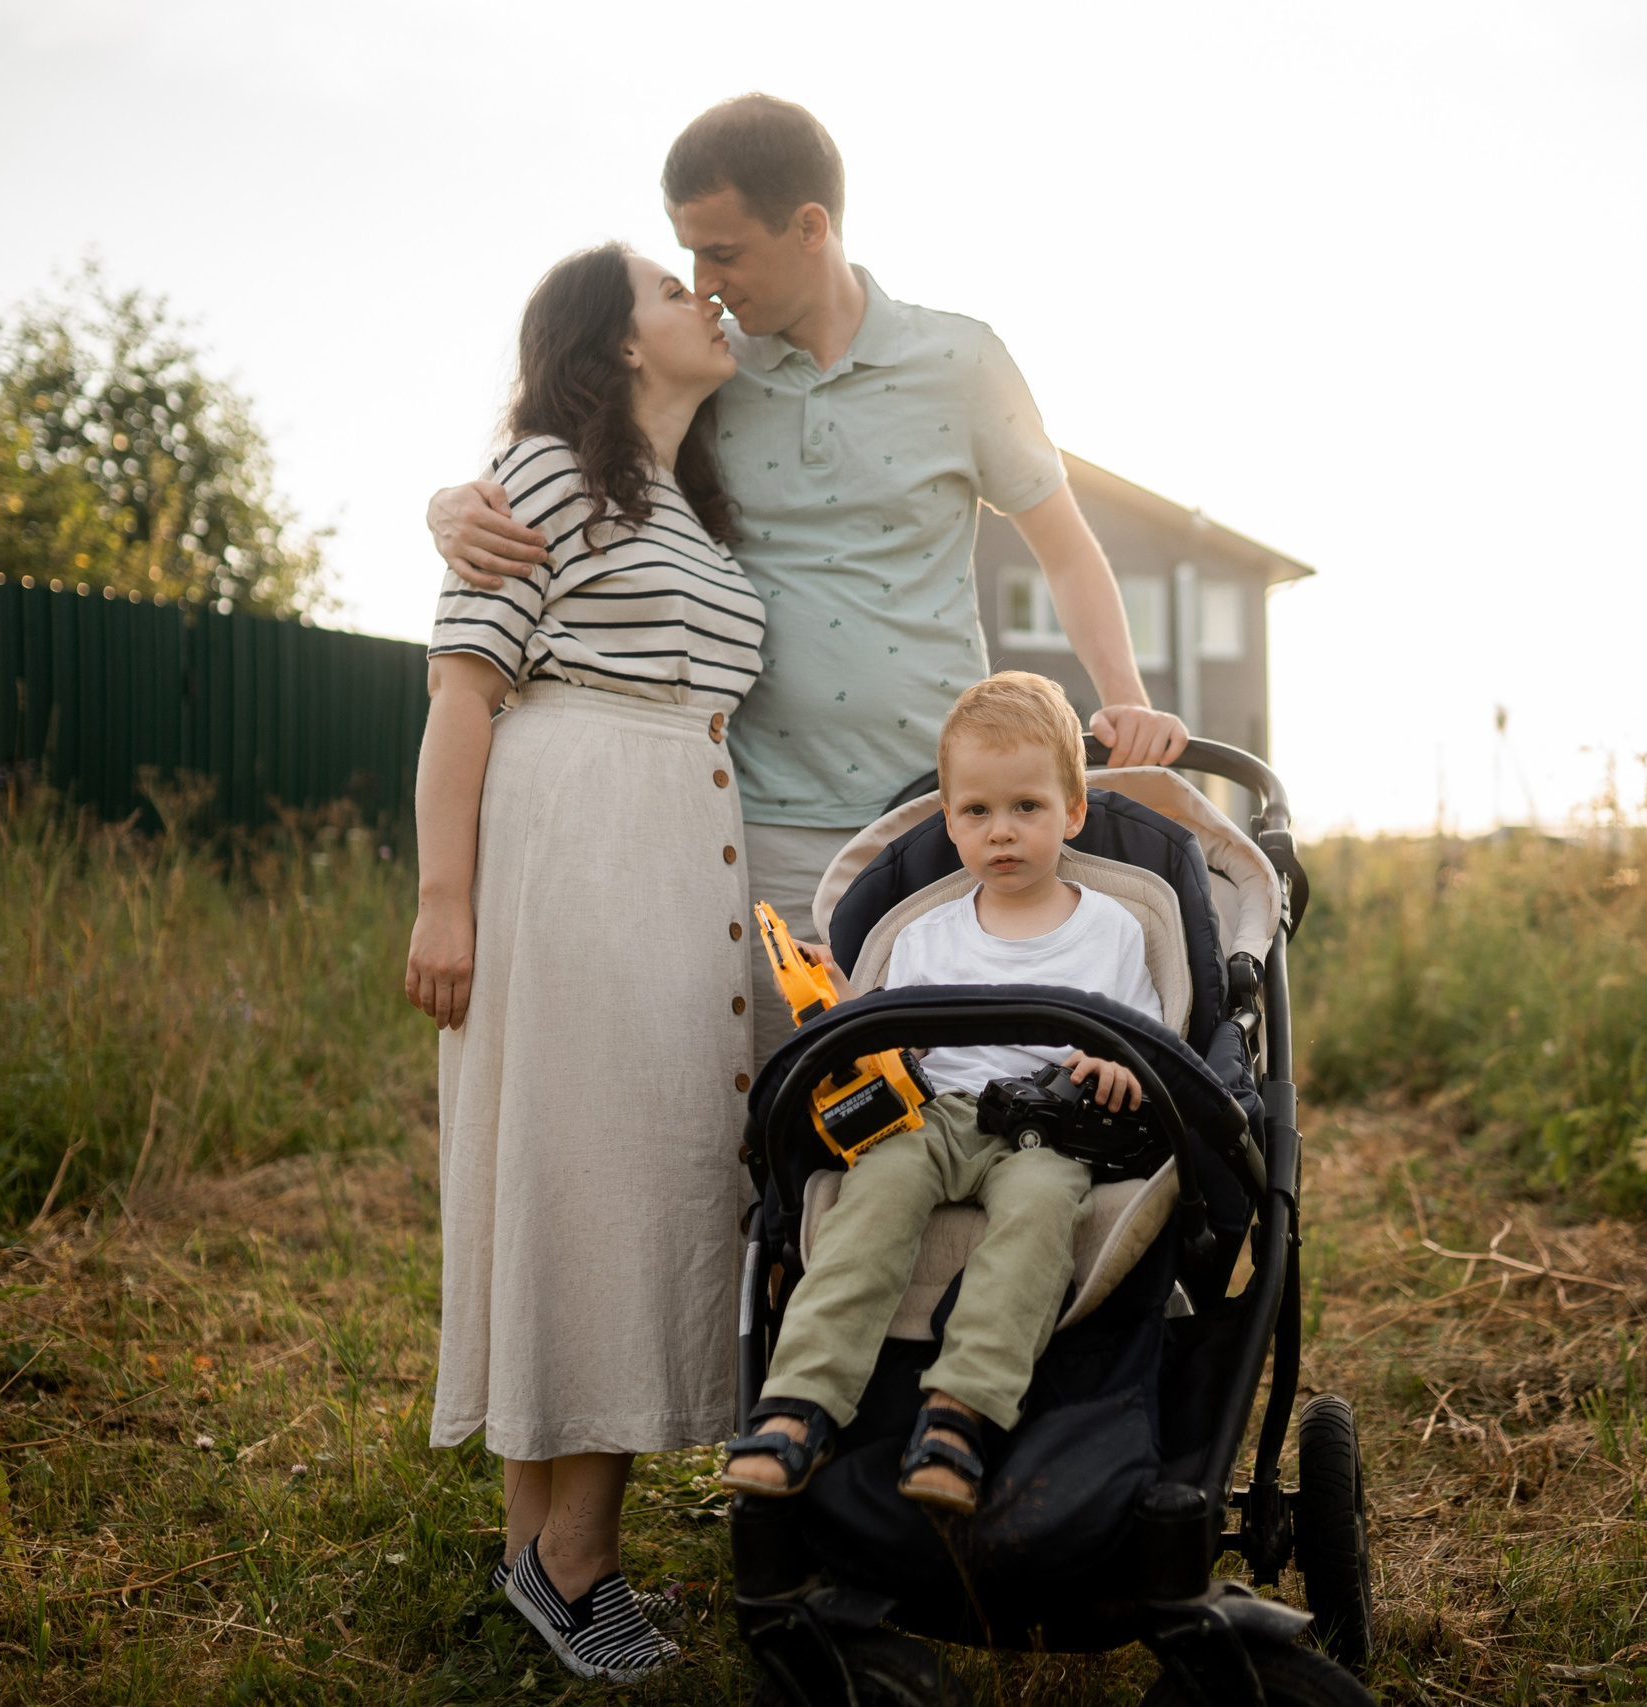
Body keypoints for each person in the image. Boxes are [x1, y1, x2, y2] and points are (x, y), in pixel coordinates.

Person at [426, 95, 1188, 1070]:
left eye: (723, 253)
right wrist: (452, 502)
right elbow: (583, 442)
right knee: (779, 1123)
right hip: (756, 824)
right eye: (687, 257)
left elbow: (1068, 550)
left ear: (810, 227)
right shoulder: (709, 371)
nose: (703, 285)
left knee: (953, 1096)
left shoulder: (962, 361)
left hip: (939, 817)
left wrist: (1124, 697)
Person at [403, 241, 761, 1683]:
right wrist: (443, 898)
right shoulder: (543, 473)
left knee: (619, 1173)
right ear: (612, 345)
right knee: (595, 1176)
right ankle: (572, 1557)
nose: (704, 303)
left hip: (676, 862)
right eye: (673, 295)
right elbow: (460, 690)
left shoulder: (683, 500)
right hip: (572, 864)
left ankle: (536, 1552)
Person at [717, 672, 1164, 1517]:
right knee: (873, 1196)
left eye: (1028, 808)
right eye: (977, 813)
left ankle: (959, 1412)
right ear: (949, 820)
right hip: (931, 1115)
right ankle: (798, 1402)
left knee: (1038, 1218)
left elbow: (1147, 1043)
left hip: (1048, 1126)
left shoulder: (1114, 926)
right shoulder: (924, 933)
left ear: (1074, 811)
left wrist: (1120, 1069)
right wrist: (852, 1010)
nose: (1003, 832)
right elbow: (891, 1043)